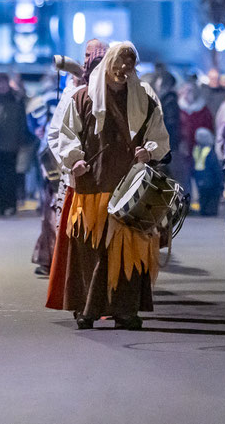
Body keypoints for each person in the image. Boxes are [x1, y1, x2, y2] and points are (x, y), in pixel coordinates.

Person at [56, 41, 170, 329]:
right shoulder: (83, 98)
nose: (121, 70)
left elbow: (159, 137)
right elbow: (66, 135)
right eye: (117, 64)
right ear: (107, 63)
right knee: (91, 251)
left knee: (129, 252)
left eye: (128, 65)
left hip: (131, 188)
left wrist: (150, 150)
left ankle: (125, 310)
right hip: (92, 187)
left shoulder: (144, 99)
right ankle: (87, 309)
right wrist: (74, 161)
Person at [45, 40, 106, 300]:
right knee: (78, 240)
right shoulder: (75, 94)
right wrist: (71, 162)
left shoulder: (124, 92)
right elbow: (59, 134)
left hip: (112, 180)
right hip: (79, 180)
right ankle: (81, 294)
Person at [0, 73, 30, 216]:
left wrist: (22, 140)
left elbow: (22, 122)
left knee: (10, 177)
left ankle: (10, 204)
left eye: (4, 83)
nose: (1, 87)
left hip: (11, 145)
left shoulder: (16, 99)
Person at [178, 81, 214, 195]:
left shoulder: (203, 110)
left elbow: (210, 128)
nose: (189, 94)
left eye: (192, 91)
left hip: (200, 150)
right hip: (184, 148)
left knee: (201, 174)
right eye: (187, 91)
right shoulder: (179, 109)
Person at [192, 127, 223, 216]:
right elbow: (215, 167)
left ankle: (204, 211)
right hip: (210, 178)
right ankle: (210, 212)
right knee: (212, 196)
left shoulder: (196, 149)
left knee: (203, 196)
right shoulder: (209, 151)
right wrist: (219, 181)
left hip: (199, 177)